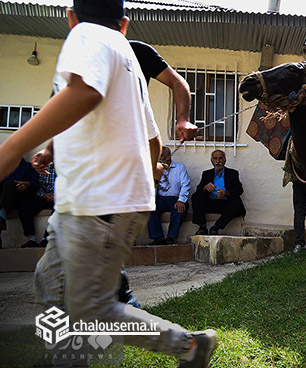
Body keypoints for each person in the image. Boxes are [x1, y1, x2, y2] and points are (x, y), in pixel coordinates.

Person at [0, 1, 216, 367]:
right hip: (97, 201)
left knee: (93, 310)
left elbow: (85, 94)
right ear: (125, 24)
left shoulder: (88, 35)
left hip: (98, 202)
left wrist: (13, 147)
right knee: (51, 279)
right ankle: (66, 356)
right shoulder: (125, 56)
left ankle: (189, 346)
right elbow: (151, 138)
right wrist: (145, 181)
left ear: (70, 17)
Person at [192, 149, 246, 235]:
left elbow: (239, 189)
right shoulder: (207, 173)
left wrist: (226, 193)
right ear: (212, 161)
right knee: (196, 196)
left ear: (225, 160)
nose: (218, 161)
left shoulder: (233, 173)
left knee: (237, 203)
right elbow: (199, 188)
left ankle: (216, 227)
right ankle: (202, 226)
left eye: (220, 158)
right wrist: (205, 187)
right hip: (210, 203)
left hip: (226, 203)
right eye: (215, 158)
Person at [147, 146, 191, 245]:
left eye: (161, 155)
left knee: (180, 209)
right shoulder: (155, 169)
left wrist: (181, 200)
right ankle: (157, 237)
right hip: (161, 199)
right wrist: (152, 201)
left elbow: (185, 185)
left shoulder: (180, 167)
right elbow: (153, 187)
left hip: (176, 198)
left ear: (168, 156)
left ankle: (171, 237)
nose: (159, 158)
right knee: (150, 209)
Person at [0, 157, 39, 248]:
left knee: (11, 184)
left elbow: (36, 184)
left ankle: (2, 215)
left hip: (21, 198)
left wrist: (27, 184)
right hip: (5, 200)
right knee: (8, 185)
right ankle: (1, 216)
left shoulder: (28, 167)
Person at [18, 162, 56, 248]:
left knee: (59, 209)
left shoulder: (64, 167)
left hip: (59, 198)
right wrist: (44, 195)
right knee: (25, 206)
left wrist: (56, 195)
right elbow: (36, 185)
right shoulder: (40, 168)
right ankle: (32, 238)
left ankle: (47, 238)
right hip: (44, 197)